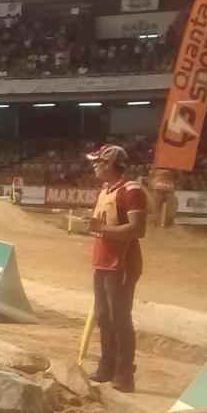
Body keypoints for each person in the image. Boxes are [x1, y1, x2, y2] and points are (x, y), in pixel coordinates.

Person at [87, 145, 146, 392]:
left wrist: (100, 229)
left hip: (121, 263)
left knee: (119, 318)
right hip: (102, 261)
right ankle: (107, 365)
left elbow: (138, 230)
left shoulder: (131, 191)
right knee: (103, 316)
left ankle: (124, 372)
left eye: (98, 162)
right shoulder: (105, 190)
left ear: (110, 164)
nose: (94, 166)